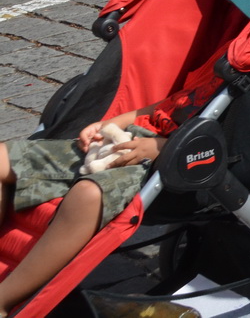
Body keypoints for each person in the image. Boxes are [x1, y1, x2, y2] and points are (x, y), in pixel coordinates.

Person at [0, 75, 226, 315]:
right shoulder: (221, 62)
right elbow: (164, 105)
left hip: (170, 160)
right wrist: (109, 124)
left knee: (88, 194)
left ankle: (4, 300)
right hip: (121, 140)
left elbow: (224, 142)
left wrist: (161, 147)